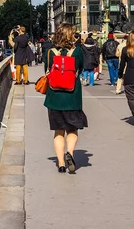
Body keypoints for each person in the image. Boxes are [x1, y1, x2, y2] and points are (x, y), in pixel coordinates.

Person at [44, 23, 87, 173]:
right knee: (72, 130)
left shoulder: (50, 52)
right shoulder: (77, 52)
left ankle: (61, 164)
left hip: (54, 97)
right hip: (72, 97)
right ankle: (70, 152)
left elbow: (47, 70)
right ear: (71, 36)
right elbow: (80, 69)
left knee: (58, 132)